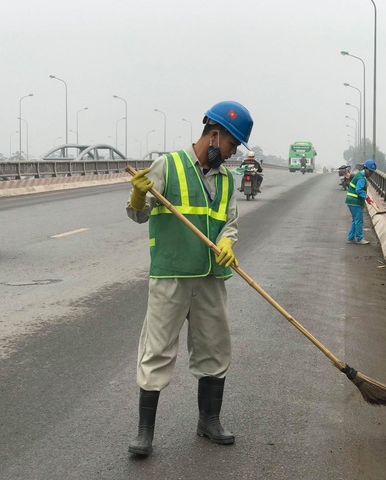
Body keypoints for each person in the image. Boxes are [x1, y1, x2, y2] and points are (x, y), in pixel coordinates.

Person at [125, 100, 253, 456]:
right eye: (230, 146)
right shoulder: (170, 165)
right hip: (172, 274)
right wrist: (138, 195)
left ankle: (208, 420)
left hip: (212, 276)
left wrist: (227, 241)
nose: (230, 155)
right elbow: (139, 214)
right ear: (215, 135)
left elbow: (230, 220)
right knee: (157, 349)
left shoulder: (227, 179)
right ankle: (144, 432)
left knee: (214, 347)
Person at [345, 159, 377, 245]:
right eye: (370, 171)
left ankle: (351, 238)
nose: (371, 173)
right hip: (355, 201)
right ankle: (360, 238)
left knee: (355, 220)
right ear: (366, 169)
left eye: (372, 172)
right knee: (358, 221)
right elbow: (358, 190)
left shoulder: (360, 175)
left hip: (351, 200)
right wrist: (367, 197)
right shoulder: (361, 178)